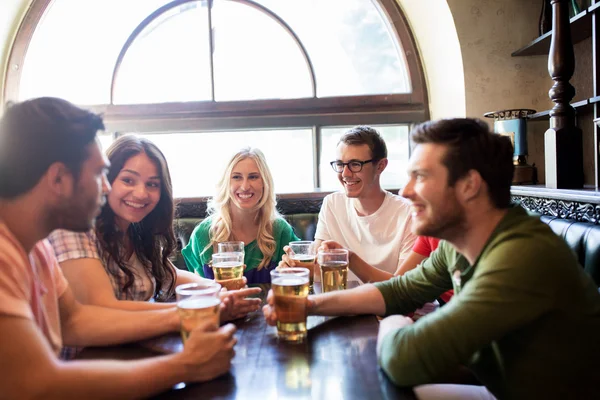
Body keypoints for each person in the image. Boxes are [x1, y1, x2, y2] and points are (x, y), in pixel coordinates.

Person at [264, 118, 600, 399]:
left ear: (469, 186)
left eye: (421, 177)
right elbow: (400, 290)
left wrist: (395, 322)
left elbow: (404, 357)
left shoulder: (521, 256)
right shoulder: (460, 242)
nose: (407, 191)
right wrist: (307, 306)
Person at [0, 97, 236, 398]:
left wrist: (194, 312)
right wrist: (187, 365)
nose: (107, 187)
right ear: (58, 178)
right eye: (100, 174)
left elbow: (75, 320)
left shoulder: (35, 246)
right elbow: (36, 383)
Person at [48, 135, 260, 325]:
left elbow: (173, 276)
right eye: (128, 180)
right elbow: (103, 308)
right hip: (87, 362)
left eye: (152, 184)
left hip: (132, 352)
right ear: (105, 179)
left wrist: (219, 291)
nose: (141, 193)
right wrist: (201, 311)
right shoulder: (77, 228)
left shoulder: (136, 231)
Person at [310, 126, 416, 282]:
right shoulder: (332, 204)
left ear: (380, 166)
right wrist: (294, 267)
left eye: (355, 164)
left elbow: (404, 288)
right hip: (344, 302)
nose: (345, 174)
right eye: (340, 164)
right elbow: (318, 270)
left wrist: (349, 259)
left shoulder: (408, 213)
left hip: (389, 306)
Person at [182, 147, 299, 284]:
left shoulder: (280, 230)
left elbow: (300, 279)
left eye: (253, 177)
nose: (244, 186)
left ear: (264, 183)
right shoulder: (203, 234)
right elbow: (199, 295)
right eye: (236, 177)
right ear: (226, 183)